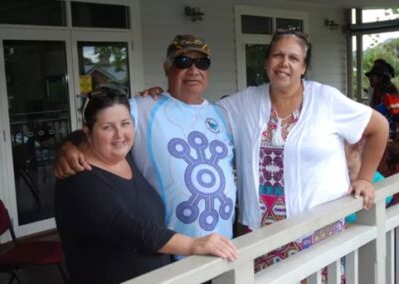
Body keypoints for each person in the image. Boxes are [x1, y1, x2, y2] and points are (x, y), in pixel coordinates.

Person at [137, 31, 389, 275]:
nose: (284, 64)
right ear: (267, 62)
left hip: (319, 238)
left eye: (293, 58)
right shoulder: (245, 102)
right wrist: (163, 99)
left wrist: (365, 178)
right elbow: (197, 112)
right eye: (278, 55)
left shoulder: (326, 100)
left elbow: (380, 127)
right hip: (260, 242)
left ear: (303, 67)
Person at [55, 36, 237, 260]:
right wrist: (68, 146)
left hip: (224, 247)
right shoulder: (142, 108)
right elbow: (99, 127)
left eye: (202, 63)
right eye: (182, 61)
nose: (193, 69)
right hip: (170, 249)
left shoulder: (222, 115)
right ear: (166, 68)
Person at [55, 87, 237, 284]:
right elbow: (128, 228)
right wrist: (195, 244)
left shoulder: (126, 158)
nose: (119, 135)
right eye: (107, 127)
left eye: (125, 124)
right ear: (88, 133)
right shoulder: (79, 180)